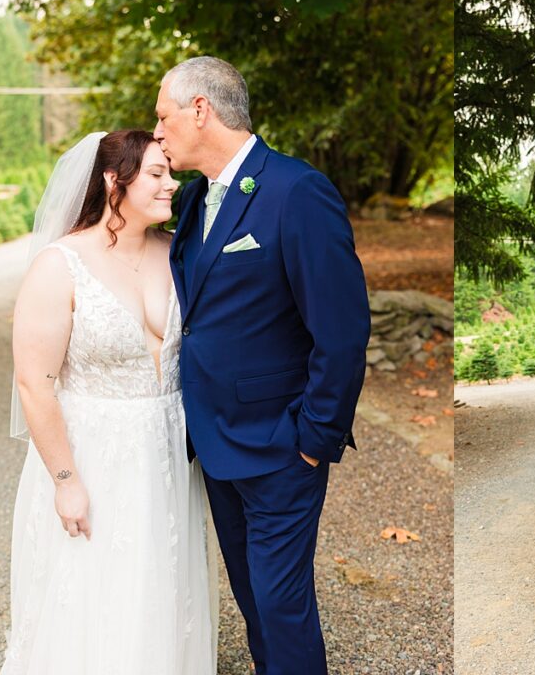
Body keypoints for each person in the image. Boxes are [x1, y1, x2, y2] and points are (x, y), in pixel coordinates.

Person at [156, 56, 370, 674]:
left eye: (163, 115)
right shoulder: (195, 202)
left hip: (281, 444)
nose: (159, 130)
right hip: (216, 443)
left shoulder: (296, 191)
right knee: (252, 597)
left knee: (281, 601)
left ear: (201, 109)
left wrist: (313, 438)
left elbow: (342, 329)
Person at [3, 130, 214, 674]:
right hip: (92, 452)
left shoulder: (178, 254)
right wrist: (66, 481)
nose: (173, 184)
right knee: (92, 587)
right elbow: (34, 382)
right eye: (156, 174)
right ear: (112, 181)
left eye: (171, 171)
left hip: (166, 451)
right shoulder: (61, 264)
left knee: (160, 579)